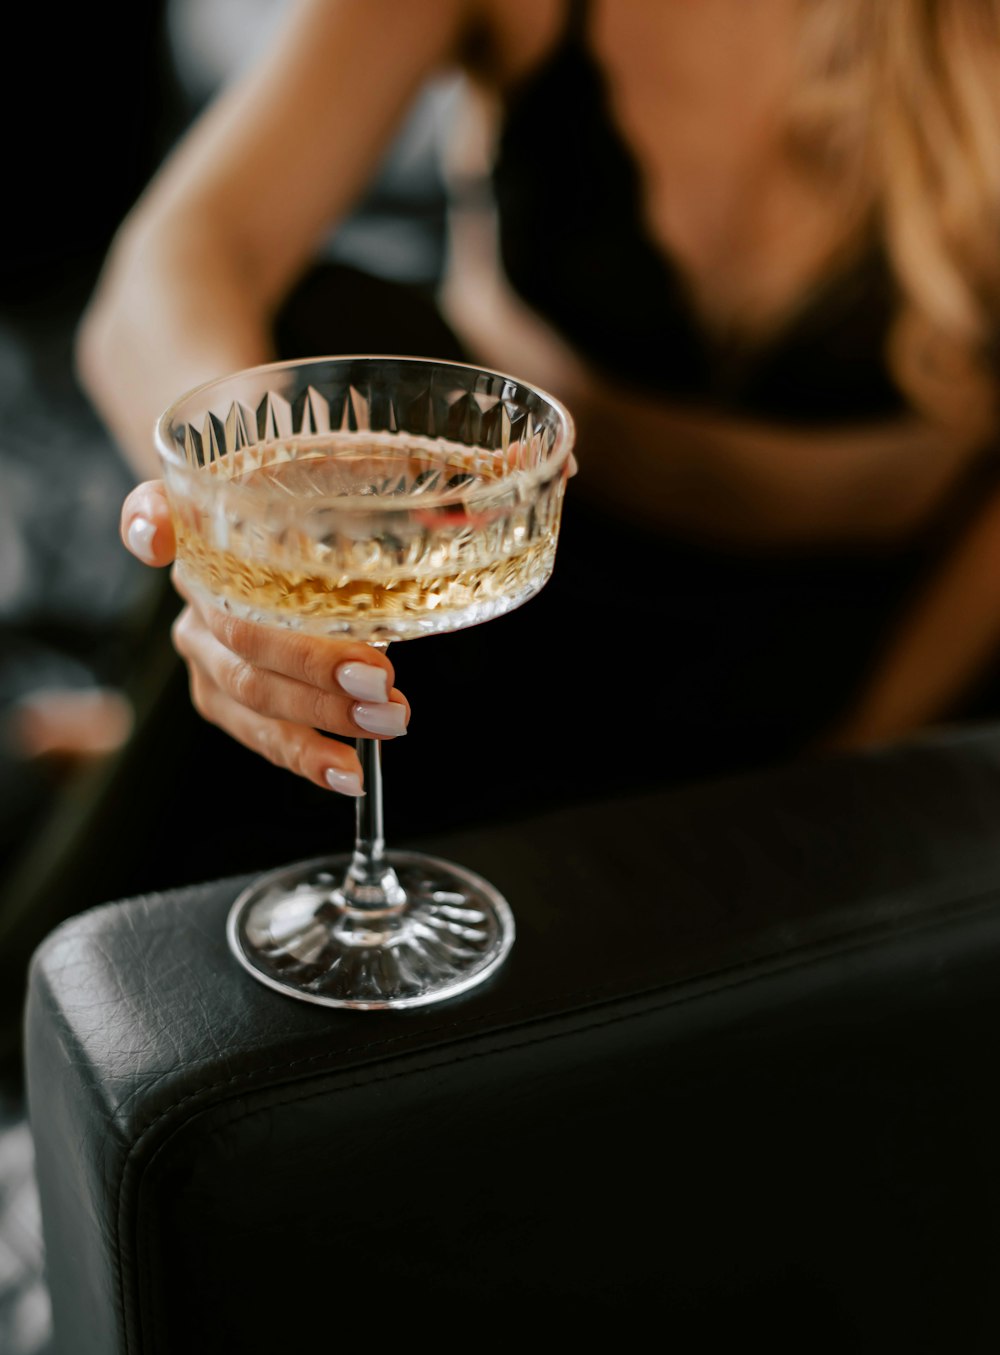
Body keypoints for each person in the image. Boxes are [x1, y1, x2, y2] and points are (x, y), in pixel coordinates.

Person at [77, 0, 1000, 827]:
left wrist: (864, 750)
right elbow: (180, 258)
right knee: (310, 350)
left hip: (851, 641)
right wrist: (248, 535)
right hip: (489, 608)